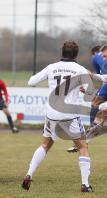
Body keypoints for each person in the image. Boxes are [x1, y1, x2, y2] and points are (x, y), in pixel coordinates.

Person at [21, 41, 94, 192]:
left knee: (45, 144)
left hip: (52, 113)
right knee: (82, 147)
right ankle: (85, 185)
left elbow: (31, 82)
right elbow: (90, 92)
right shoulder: (80, 69)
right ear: (76, 54)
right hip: (70, 114)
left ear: (62, 52)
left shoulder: (51, 67)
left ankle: (29, 174)